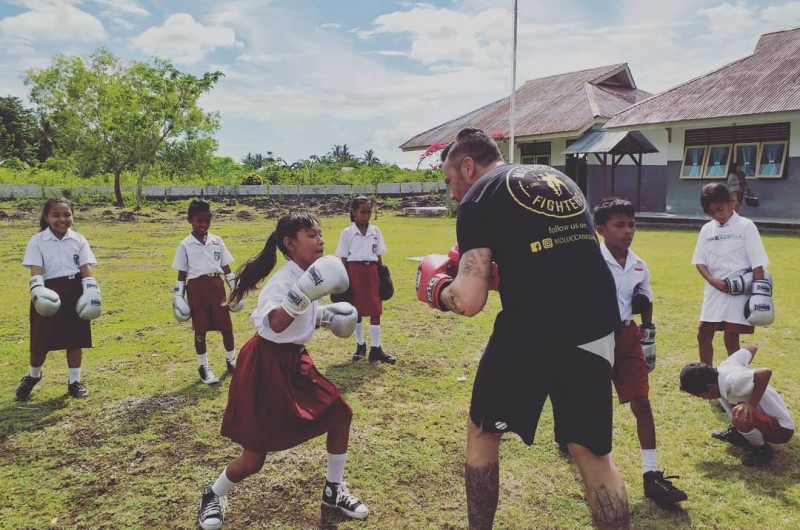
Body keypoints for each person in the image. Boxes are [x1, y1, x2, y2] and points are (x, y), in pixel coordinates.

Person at [416, 128, 629, 529]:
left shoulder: (480, 196)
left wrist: (436, 288)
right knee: (592, 451)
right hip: (597, 321)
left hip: (534, 325)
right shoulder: (558, 179)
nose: (453, 194)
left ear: (467, 166)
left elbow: (469, 300)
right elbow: (553, 256)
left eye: (449, 181)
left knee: (483, 433)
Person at [196, 212, 367, 530]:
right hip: (265, 365)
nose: (320, 240)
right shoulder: (285, 281)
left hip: (295, 362)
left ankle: (333, 489)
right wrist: (301, 296)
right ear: (289, 243)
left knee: (340, 414)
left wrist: (326, 317)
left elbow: (301, 317)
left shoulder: (310, 274)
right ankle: (213, 494)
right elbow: (273, 323)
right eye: (311, 235)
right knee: (254, 458)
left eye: (320, 234)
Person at [593, 197, 687, 504]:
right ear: (600, 229)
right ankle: (582, 455)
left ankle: (651, 475)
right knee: (590, 404)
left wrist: (648, 337)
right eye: (619, 225)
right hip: (594, 337)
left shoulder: (638, 264)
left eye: (631, 224)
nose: (628, 231)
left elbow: (644, 300)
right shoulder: (590, 260)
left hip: (627, 335)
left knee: (642, 403)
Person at [16, 197, 102, 400]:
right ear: (46, 217)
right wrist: (37, 291)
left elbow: (85, 268)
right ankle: (33, 376)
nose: (62, 219)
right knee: (40, 340)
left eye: (67, 214)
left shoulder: (79, 240)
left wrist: (91, 291)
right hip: (48, 292)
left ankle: (74, 381)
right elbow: (36, 270)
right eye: (55, 215)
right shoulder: (37, 241)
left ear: (73, 216)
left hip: (75, 290)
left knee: (75, 338)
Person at [691, 183, 770, 366]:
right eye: (712, 213)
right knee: (703, 334)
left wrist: (761, 297)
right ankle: (707, 375)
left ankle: (735, 376)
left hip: (738, 291)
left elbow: (758, 263)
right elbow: (699, 261)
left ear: (731, 202)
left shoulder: (746, 226)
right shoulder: (707, 230)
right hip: (714, 290)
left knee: (731, 338)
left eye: (720, 209)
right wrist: (712, 281)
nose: (718, 215)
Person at [679, 344, 794, 466]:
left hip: (781, 429)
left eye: (701, 395)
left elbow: (765, 372)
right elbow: (752, 347)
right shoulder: (724, 368)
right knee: (737, 411)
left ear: (709, 388)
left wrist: (751, 404)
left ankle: (760, 449)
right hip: (764, 419)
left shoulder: (732, 382)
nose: (703, 399)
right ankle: (741, 433)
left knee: (739, 415)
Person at [172, 199, 242, 384]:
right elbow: (181, 274)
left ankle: (231, 360)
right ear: (190, 220)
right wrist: (178, 296)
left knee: (226, 327)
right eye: (199, 220)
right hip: (196, 289)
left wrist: (235, 288)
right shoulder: (185, 245)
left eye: (207, 220)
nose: (203, 224)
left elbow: (226, 268)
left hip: (216, 287)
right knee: (200, 329)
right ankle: (204, 366)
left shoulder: (216, 241)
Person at [334, 195, 395, 364]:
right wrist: (343, 280)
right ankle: (360, 345)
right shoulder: (347, 233)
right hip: (354, 272)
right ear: (354, 212)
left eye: (369, 211)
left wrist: (383, 275)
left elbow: (378, 255)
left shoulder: (375, 231)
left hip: (372, 272)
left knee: (376, 310)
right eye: (362, 211)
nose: (366, 215)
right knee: (357, 310)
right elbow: (344, 259)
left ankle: (376, 348)